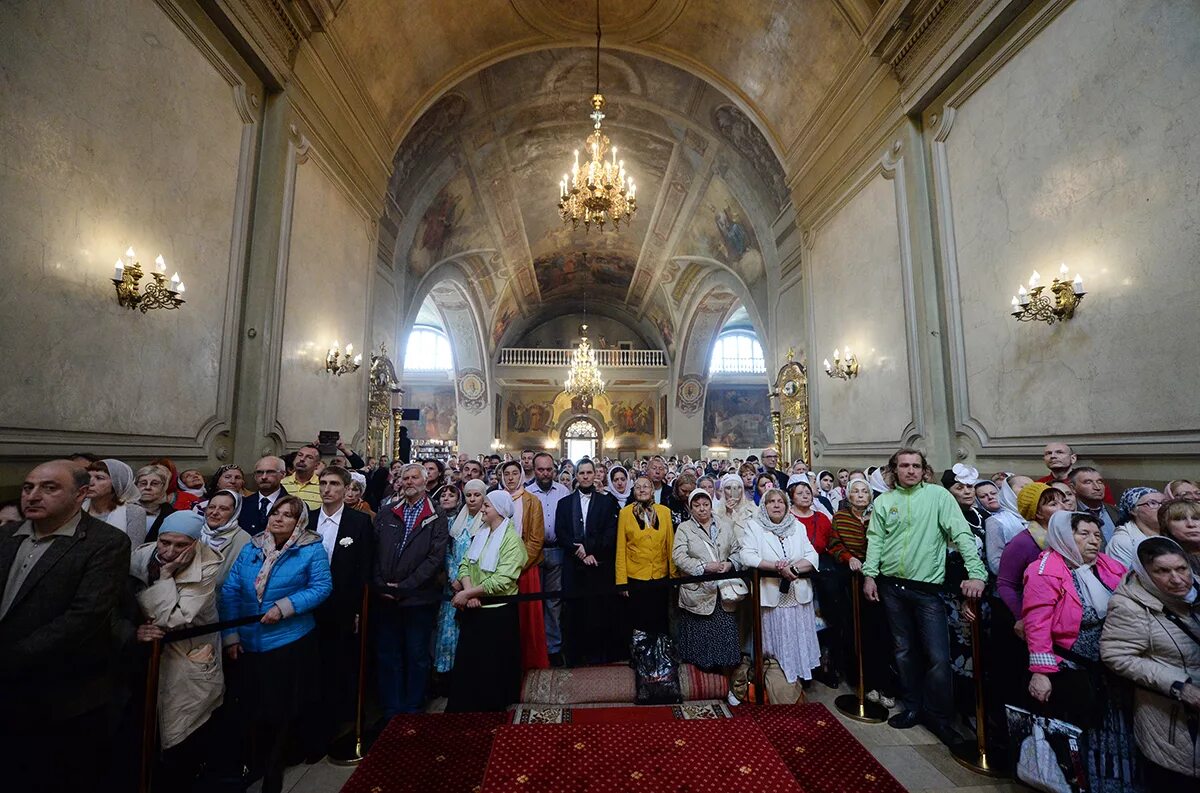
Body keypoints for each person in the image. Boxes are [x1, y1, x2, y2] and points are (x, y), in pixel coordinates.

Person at [0, 461, 132, 793]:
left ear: (81, 494)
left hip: (61, 695)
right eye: (28, 487)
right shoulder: (6, 536)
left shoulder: (105, 542)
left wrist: (9, 658)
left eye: (49, 488)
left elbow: (84, 616)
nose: (33, 495)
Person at [862, 449, 987, 743]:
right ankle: (913, 707)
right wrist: (870, 574)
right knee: (903, 651)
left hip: (927, 588)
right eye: (905, 465)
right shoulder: (885, 501)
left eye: (916, 466)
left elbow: (961, 533)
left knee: (938, 657)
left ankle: (939, 716)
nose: (911, 470)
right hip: (891, 586)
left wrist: (977, 573)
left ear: (924, 470)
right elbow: (876, 540)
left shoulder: (938, 496)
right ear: (894, 469)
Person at [221, 495, 330, 792]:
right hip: (248, 639)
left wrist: (285, 607)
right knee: (252, 705)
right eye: (275, 513)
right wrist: (230, 635)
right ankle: (253, 762)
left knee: (280, 707)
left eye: (287, 515)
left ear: (299, 521)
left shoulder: (310, 549)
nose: (278, 519)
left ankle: (274, 766)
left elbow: (321, 587)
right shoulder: (252, 547)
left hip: (288, 639)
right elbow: (231, 590)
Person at [1022, 511, 1134, 792]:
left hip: (1110, 668)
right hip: (1070, 666)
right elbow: (1037, 623)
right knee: (1077, 732)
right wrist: (1041, 672)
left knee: (1110, 733)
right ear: (1063, 536)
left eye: (1097, 535)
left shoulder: (1108, 566)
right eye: (1084, 534)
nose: (1094, 541)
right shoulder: (1045, 569)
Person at [129, 510, 224, 788]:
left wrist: (165, 576)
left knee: (181, 728)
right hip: (142, 652)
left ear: (195, 543)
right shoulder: (141, 556)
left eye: (181, 545)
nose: (170, 552)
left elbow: (171, 618)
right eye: (165, 542)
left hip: (187, 653)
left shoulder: (207, 565)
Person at [1101, 537, 1200, 784]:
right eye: (1162, 571)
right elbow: (1116, 655)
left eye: (1181, 568)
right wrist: (1179, 686)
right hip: (1173, 719)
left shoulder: (1196, 590)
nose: (1177, 579)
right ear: (1144, 573)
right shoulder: (1129, 606)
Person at [372, 463, 448, 717]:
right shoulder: (387, 512)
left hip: (417, 599)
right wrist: (382, 584)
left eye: (415, 477)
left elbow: (435, 558)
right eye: (405, 478)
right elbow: (374, 550)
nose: (409, 482)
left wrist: (405, 587)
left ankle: (413, 707)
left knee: (416, 654)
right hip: (386, 597)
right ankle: (391, 708)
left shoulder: (436, 515)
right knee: (388, 654)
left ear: (425, 482)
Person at [309, 466, 373, 752]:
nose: (327, 489)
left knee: (338, 664)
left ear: (346, 488)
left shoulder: (359, 522)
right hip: (308, 605)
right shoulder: (309, 518)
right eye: (323, 483)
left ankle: (335, 722)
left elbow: (363, 568)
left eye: (334, 484)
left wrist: (358, 609)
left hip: (342, 604)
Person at [445, 490, 527, 712]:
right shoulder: (481, 533)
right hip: (474, 609)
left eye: (487, 506)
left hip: (497, 613)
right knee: (470, 668)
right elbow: (465, 564)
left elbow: (503, 579)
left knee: (493, 669)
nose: (482, 508)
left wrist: (469, 594)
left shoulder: (512, 540)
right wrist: (469, 592)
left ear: (499, 511)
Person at [739, 488, 821, 694]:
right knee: (776, 641)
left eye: (780, 501)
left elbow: (812, 556)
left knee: (797, 638)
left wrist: (793, 569)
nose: (776, 505)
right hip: (772, 595)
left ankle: (798, 681)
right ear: (764, 506)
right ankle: (777, 683)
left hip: (797, 595)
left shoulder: (797, 526)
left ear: (786, 505)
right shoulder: (754, 526)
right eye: (771, 501)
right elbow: (747, 556)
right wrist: (775, 566)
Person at [828, 477, 895, 707]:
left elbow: (885, 543)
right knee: (857, 631)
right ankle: (864, 683)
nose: (859, 495)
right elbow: (834, 545)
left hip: (878, 577)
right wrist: (849, 558)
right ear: (848, 496)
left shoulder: (878, 516)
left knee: (881, 632)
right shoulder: (840, 517)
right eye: (855, 491)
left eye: (864, 491)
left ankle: (884, 683)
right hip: (850, 580)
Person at [555, 459, 622, 665]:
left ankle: (597, 656)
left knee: (597, 612)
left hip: (598, 565)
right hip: (573, 566)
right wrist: (578, 551)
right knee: (574, 612)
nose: (585, 476)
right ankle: (575, 656)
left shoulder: (606, 502)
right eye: (581, 473)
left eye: (589, 472)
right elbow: (561, 532)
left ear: (595, 475)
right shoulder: (564, 503)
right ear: (576, 476)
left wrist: (592, 552)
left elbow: (610, 533)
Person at [672, 489, 742, 671]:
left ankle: (724, 676)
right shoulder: (684, 528)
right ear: (690, 508)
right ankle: (701, 677)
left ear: (711, 505)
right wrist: (703, 567)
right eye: (697, 505)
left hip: (722, 591)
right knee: (700, 641)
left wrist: (730, 564)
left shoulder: (725, 525)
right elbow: (679, 557)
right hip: (698, 591)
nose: (702, 509)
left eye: (705, 504)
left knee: (724, 636)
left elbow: (737, 551)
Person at [499, 459, 549, 670]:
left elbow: (536, 539)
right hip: (498, 568)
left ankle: (531, 661)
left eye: (514, 473)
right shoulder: (496, 499)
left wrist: (518, 565)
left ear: (521, 475)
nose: (511, 478)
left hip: (525, 567)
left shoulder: (532, 501)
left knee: (527, 617)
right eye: (507, 474)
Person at [435, 479, 487, 677]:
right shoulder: (455, 521)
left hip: (475, 586)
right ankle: (446, 676)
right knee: (449, 628)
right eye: (469, 495)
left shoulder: (487, 522)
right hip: (453, 585)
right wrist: (453, 576)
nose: (472, 499)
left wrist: (467, 583)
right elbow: (447, 551)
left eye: (477, 495)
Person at [996, 482, 1067, 621]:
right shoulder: (1022, 543)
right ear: (1038, 513)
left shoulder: (1069, 536)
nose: (1064, 507)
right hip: (1038, 616)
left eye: (1063, 502)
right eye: (1053, 504)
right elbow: (1005, 585)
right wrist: (1022, 617)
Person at [616, 477, 675, 638]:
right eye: (638, 487)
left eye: (646, 486)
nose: (642, 490)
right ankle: (641, 652)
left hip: (660, 576)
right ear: (633, 491)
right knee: (640, 621)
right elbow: (621, 549)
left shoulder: (664, 512)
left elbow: (670, 545)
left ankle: (660, 651)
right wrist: (621, 582)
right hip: (636, 577)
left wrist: (674, 576)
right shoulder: (625, 513)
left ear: (652, 490)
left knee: (660, 620)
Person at [527, 452, 571, 667]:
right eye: (540, 470)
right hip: (533, 553)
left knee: (554, 602)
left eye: (548, 469)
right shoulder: (526, 493)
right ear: (534, 470)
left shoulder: (563, 491)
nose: (545, 474)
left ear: (554, 469)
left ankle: (553, 647)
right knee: (533, 601)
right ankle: (534, 647)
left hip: (557, 550)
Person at [84, 458, 147, 545]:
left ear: (117, 483)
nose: (90, 483)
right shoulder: (76, 508)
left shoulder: (133, 512)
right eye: (88, 477)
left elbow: (133, 549)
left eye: (99, 478)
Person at [200, 489, 251, 585]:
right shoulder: (196, 532)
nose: (215, 512)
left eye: (223, 509)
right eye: (211, 507)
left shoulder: (244, 540)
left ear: (235, 513)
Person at [1108, 487, 1166, 568]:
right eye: (1152, 503)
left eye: (1164, 503)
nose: (1161, 507)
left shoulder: (1172, 532)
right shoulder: (1122, 541)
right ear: (1133, 510)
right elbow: (1121, 574)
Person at [239, 455, 288, 535]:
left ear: (282, 474)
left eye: (270, 472)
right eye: (259, 472)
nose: (264, 477)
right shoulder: (243, 504)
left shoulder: (295, 505)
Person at [1069, 466, 1118, 544]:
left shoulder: (1116, 511)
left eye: (1100, 482)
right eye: (1088, 482)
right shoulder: (1070, 515)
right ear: (1073, 488)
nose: (1097, 487)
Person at [138, 463, 177, 542]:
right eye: (143, 483)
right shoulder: (123, 510)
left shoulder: (172, 515)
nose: (148, 487)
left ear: (163, 487)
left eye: (155, 484)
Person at [281, 444, 323, 509]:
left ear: (317, 465)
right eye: (300, 455)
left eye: (309, 457)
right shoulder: (281, 483)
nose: (302, 459)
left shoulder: (323, 486)